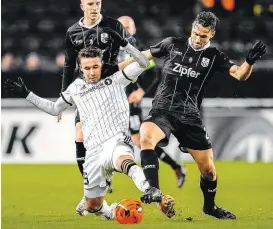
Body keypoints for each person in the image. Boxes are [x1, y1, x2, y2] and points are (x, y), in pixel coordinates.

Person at [4, 30, 175, 219]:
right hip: (92, 152)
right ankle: (113, 211)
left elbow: (143, 62)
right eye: (87, 68)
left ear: (101, 64)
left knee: (125, 162)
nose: (92, 72)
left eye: (95, 66)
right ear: (80, 68)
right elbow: (54, 109)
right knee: (93, 206)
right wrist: (27, 94)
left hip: (116, 140)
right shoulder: (75, 88)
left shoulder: (116, 79)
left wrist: (126, 45)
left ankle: (151, 190)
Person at [127, 11, 266, 219]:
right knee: (145, 135)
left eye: (203, 36)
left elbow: (239, 74)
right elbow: (141, 57)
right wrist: (112, 70)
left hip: (189, 116)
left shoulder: (214, 56)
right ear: (192, 27)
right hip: (162, 110)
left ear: (212, 34)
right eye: (195, 33)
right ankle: (153, 189)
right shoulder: (172, 44)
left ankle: (210, 207)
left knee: (209, 171)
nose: (198, 39)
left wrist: (249, 61)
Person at [57, 0, 135, 212]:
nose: (95, 7)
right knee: (80, 135)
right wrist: (64, 95)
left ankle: (104, 181)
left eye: (98, 3)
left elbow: (134, 48)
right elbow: (68, 64)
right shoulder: (72, 32)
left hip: (110, 90)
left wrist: (130, 68)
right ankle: (90, 192)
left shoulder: (113, 25)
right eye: (90, 3)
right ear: (82, 5)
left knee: (108, 141)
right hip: (86, 92)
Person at [117, 16, 186, 188]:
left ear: (133, 29)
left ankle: (175, 166)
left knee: (139, 140)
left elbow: (153, 73)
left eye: (128, 27)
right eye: (121, 27)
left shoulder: (138, 47)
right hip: (111, 99)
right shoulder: (108, 46)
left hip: (129, 99)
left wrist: (140, 91)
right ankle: (104, 178)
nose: (125, 30)